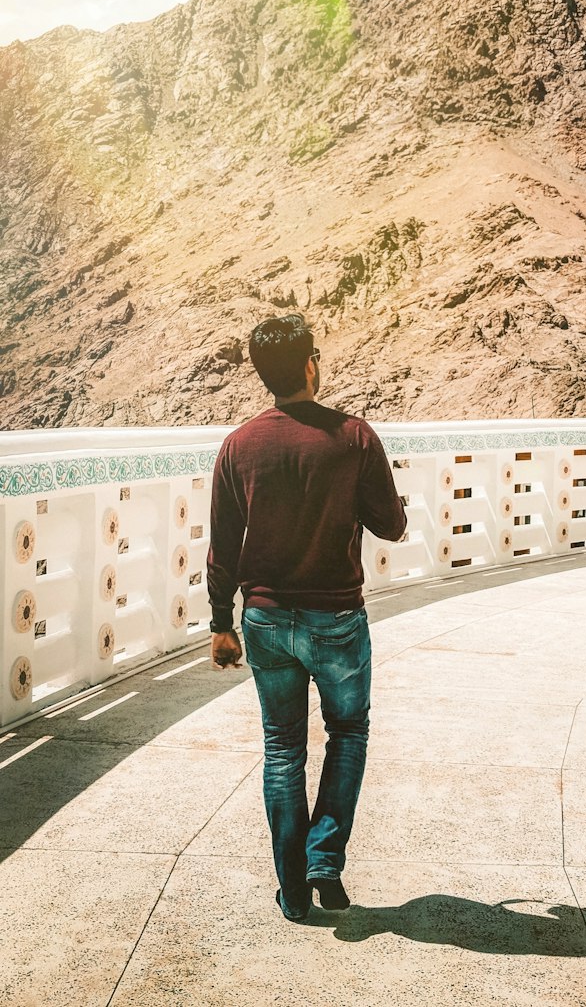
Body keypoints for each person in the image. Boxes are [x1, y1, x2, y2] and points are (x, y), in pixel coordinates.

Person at [207, 313, 407, 922]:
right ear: (311, 365)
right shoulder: (354, 437)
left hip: (266, 619)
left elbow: (222, 542)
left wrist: (222, 622)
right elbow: (391, 527)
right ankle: (324, 859)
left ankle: (292, 886)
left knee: (281, 749)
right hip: (337, 619)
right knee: (348, 735)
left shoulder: (239, 444)